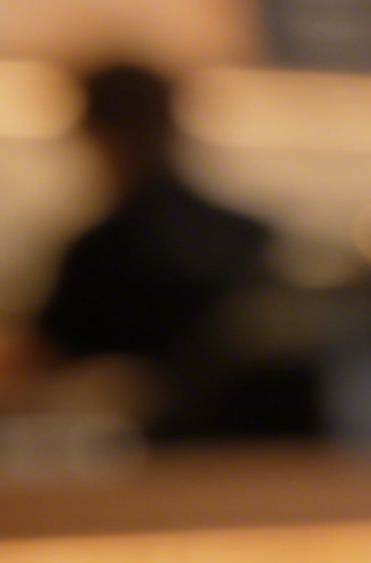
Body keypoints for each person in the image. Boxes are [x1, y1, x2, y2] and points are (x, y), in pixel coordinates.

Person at [29, 62, 283, 436]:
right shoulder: (251, 234)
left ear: (102, 134)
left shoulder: (99, 249)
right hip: (260, 455)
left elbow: (45, 359)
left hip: (135, 458)